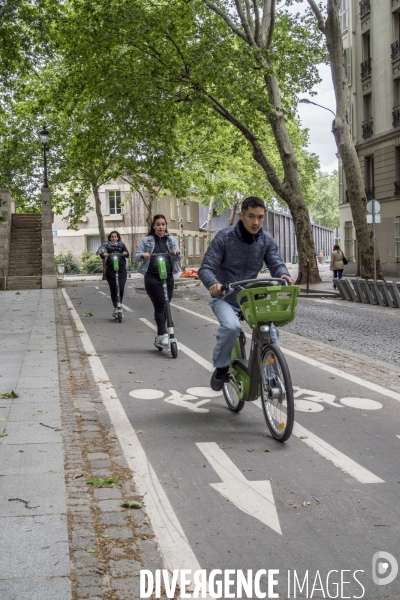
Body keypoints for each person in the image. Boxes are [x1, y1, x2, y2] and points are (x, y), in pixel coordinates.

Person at [198, 196, 294, 391]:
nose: (256, 222)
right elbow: (206, 268)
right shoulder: (224, 237)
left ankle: (271, 377)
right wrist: (213, 283)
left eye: (260, 217)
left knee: (271, 332)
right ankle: (221, 366)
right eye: (251, 216)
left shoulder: (266, 240)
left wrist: (283, 274)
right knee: (232, 327)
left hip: (250, 298)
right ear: (241, 215)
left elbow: (275, 261)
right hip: (225, 296)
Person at [135, 215, 181, 348]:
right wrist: (143, 255)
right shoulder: (147, 240)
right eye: (158, 224)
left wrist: (177, 252)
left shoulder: (171, 240)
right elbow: (136, 256)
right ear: (153, 226)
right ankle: (163, 334)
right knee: (160, 305)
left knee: (166, 304)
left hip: (168, 276)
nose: (161, 227)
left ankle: (161, 336)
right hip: (152, 277)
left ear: (166, 226)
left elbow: (179, 257)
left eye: (163, 224)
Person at [97, 231, 130, 318]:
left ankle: (119, 304)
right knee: (113, 288)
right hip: (111, 269)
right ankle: (116, 307)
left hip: (121, 269)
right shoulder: (106, 245)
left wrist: (125, 253)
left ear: (118, 237)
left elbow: (127, 254)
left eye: (115, 237)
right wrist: (104, 254)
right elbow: (102, 254)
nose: (114, 238)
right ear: (110, 238)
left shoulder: (122, 245)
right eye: (112, 237)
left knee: (121, 287)